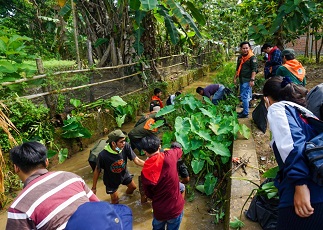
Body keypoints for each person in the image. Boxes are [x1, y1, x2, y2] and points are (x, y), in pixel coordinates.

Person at [263, 76, 323, 230]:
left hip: (309, 194)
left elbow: (291, 145)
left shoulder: (277, 109)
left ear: (267, 99)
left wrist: (300, 184)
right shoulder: (303, 112)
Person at [6, 141, 99, 230]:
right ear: (46, 161)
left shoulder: (19, 207)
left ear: (16, 168)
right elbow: (99, 207)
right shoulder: (72, 178)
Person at [141, 135, 185, 230]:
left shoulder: (145, 171)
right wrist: (174, 145)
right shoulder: (170, 156)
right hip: (175, 209)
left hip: (159, 210)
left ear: (144, 151)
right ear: (159, 146)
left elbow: (148, 193)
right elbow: (179, 149)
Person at [91, 129, 145, 204]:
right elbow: (97, 170)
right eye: (121, 142)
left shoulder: (126, 146)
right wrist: (94, 188)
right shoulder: (103, 155)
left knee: (133, 188)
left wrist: (152, 165)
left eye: (124, 140)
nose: (124, 143)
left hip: (124, 174)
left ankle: (126, 197)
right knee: (115, 201)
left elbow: (137, 160)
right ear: (113, 143)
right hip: (111, 180)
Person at [234, 41, 258, 118]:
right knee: (246, 96)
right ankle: (245, 109)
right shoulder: (240, 57)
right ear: (241, 49)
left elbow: (254, 69)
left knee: (244, 96)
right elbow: (237, 68)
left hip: (247, 80)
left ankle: (245, 113)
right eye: (243, 48)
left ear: (249, 48)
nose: (245, 50)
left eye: (246, 48)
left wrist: (252, 80)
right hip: (241, 79)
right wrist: (235, 78)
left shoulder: (252, 57)